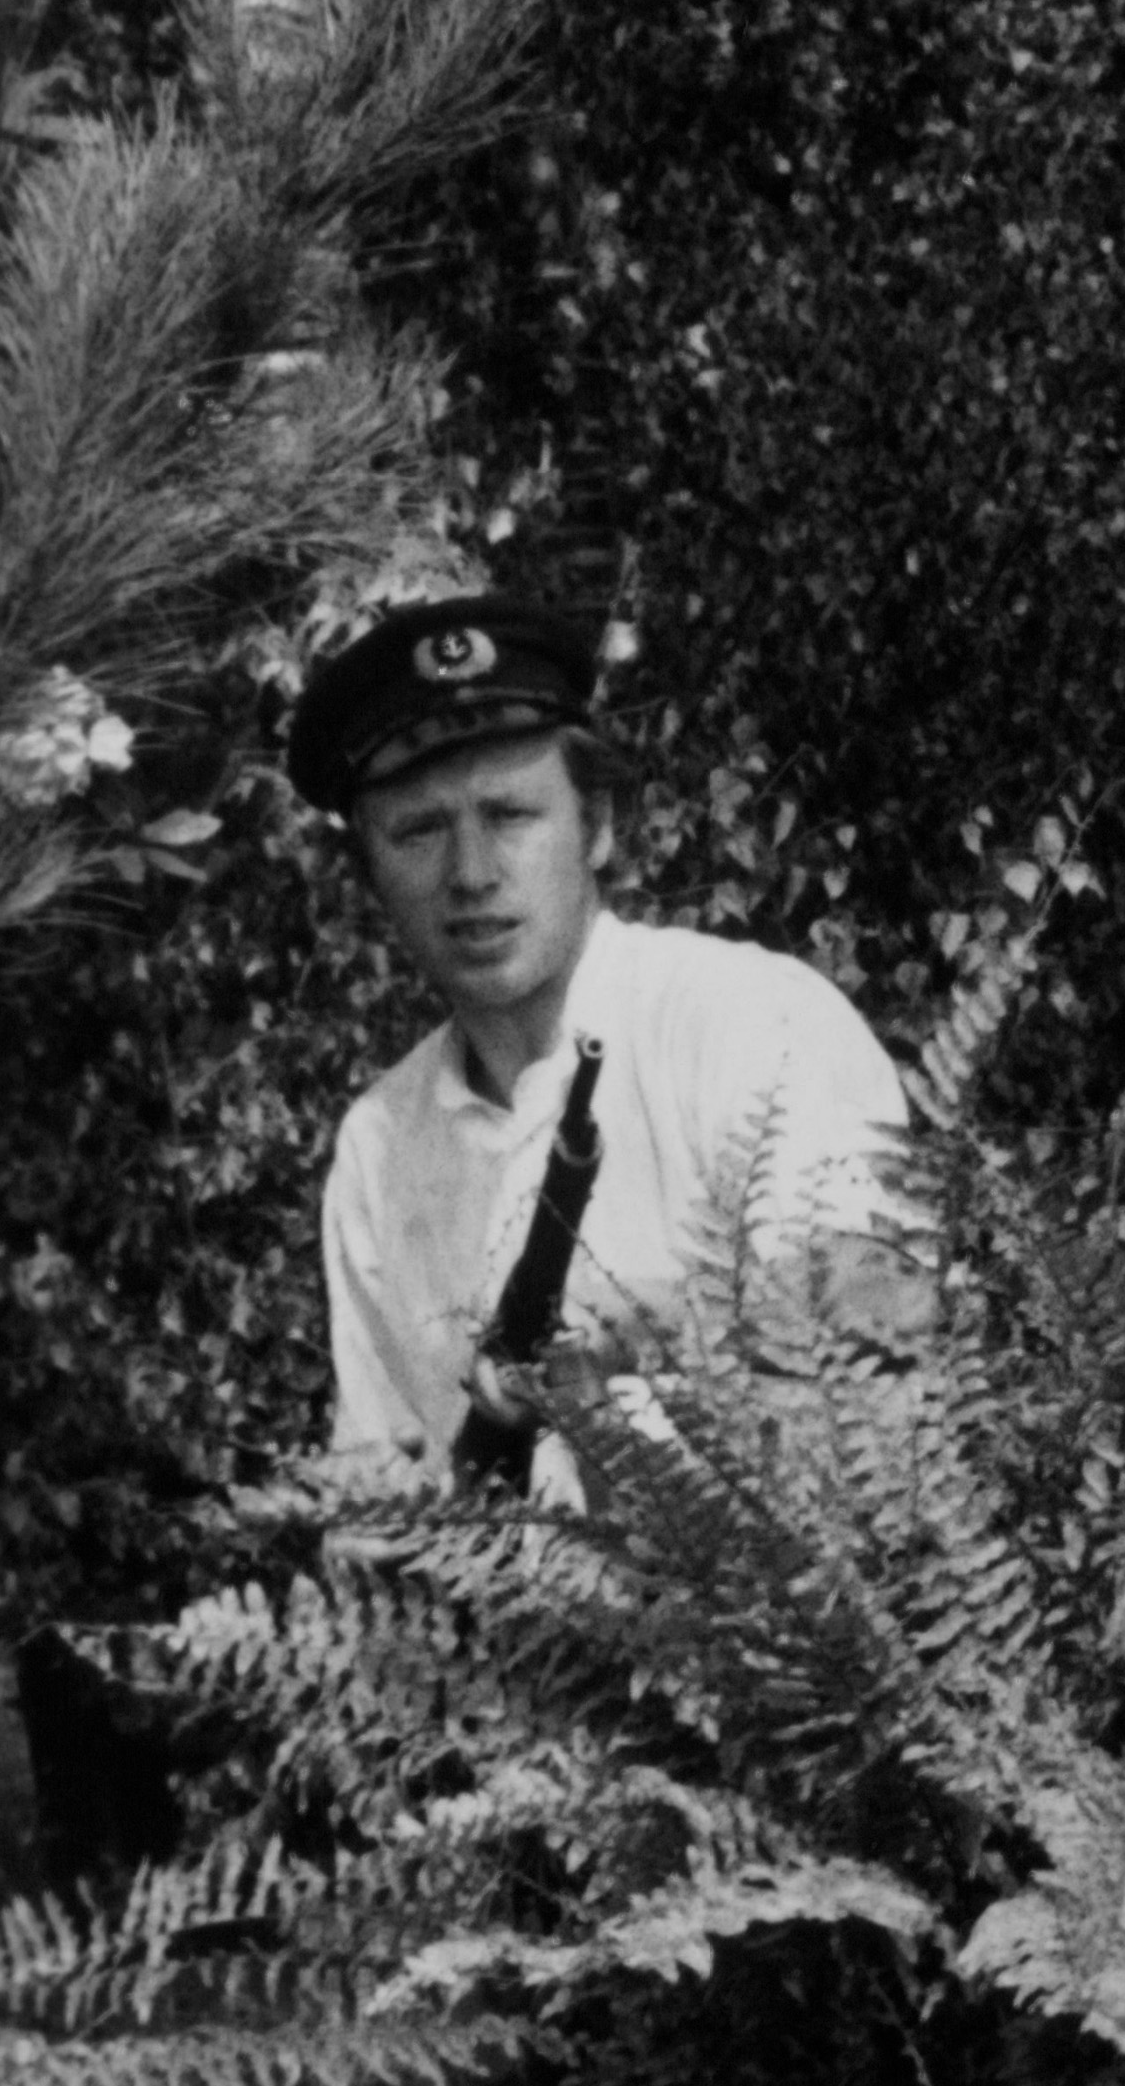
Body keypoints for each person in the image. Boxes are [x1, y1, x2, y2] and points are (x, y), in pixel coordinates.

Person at [291, 589, 922, 1485]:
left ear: (599, 826)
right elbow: (390, 1479)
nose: (470, 873)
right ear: (370, 874)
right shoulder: (379, 1149)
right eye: (420, 831)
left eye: (510, 815)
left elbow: (888, 1317)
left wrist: (629, 1332)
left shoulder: (748, 1022)